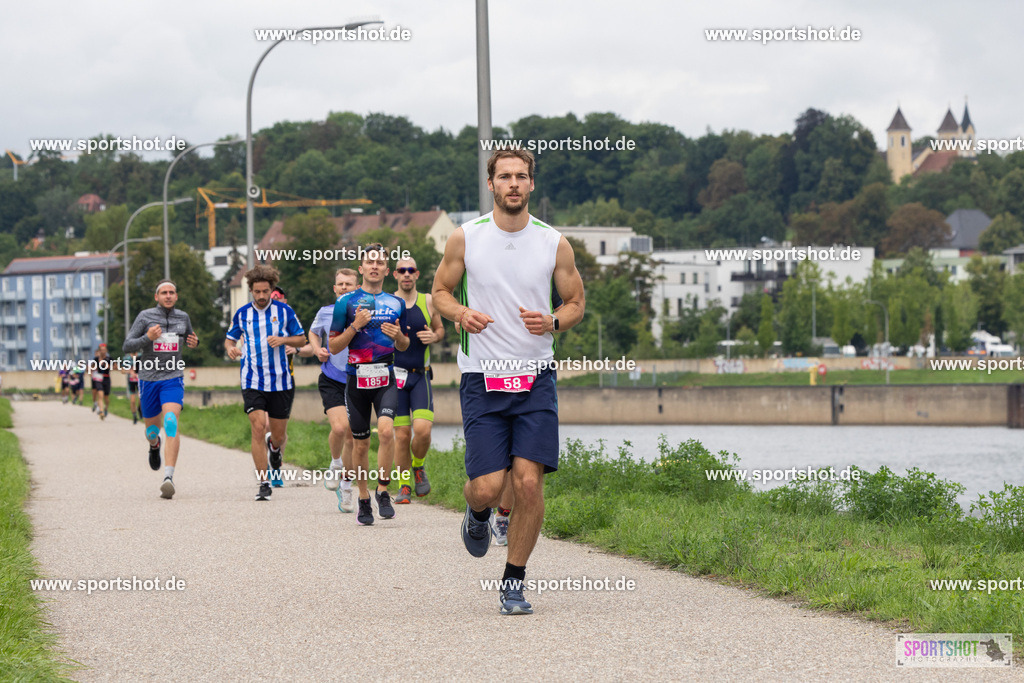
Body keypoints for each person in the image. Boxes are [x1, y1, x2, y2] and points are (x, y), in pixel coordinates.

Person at [432, 149, 585, 615]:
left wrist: (553, 323)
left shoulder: (554, 243)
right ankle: (478, 515)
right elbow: (438, 292)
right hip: (484, 378)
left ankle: (514, 582)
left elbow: (575, 302)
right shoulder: (465, 238)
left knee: (528, 484)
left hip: (536, 378)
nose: (513, 184)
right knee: (485, 485)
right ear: (491, 184)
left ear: (532, 185)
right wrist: (460, 312)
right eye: (505, 177)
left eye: (521, 176)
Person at [329, 244, 410, 526]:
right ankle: (364, 498)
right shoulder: (346, 303)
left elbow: (404, 344)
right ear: (361, 268)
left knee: (387, 432)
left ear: (387, 270)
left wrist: (399, 336)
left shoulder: (396, 302)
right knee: (361, 446)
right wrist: (355, 326)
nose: (374, 266)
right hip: (356, 380)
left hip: (385, 376)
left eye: (380, 262)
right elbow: (334, 346)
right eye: (369, 262)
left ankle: (383, 490)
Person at [225, 265, 306, 501]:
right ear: (251, 290)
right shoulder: (242, 314)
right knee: (258, 427)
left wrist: (282, 339)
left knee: (278, 435)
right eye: (257, 291)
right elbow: (229, 340)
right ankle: (263, 482)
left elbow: (301, 337)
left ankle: (275, 449)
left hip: (281, 381)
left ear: (271, 290)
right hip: (252, 379)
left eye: (265, 291)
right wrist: (231, 349)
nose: (261, 296)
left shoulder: (285, 311)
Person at [123, 279, 199, 499]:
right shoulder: (145, 317)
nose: (168, 296)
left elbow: (190, 338)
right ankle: (154, 445)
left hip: (173, 377)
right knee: (152, 431)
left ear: (177, 296)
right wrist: (148, 337)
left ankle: (168, 477)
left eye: (172, 292)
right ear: (156, 297)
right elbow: (127, 345)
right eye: (164, 292)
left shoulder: (183, 317)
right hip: (148, 379)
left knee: (171, 422)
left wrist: (195, 342)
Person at [391, 257, 444, 503]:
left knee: (422, 431)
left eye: (411, 270)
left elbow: (440, 329)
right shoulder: (388, 303)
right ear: (395, 275)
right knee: (401, 435)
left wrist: (434, 336)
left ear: (417, 274)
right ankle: (403, 485)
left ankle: (418, 466)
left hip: (420, 376)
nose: (407, 274)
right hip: (395, 379)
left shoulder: (428, 301)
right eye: (402, 270)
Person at [309, 268, 358, 511]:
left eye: (348, 284)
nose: (344, 287)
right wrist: (317, 349)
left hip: (357, 380)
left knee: (352, 437)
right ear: (334, 288)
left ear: (356, 288)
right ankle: (335, 464)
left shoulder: (363, 315)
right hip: (332, 378)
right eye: (340, 284)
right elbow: (313, 333)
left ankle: (346, 488)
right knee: (340, 428)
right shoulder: (325, 312)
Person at [90, 343, 113, 419]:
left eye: (104, 350)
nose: (103, 351)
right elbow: (92, 367)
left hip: (106, 378)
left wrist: (107, 366)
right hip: (99, 379)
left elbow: (115, 367)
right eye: (101, 350)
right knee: (100, 395)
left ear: (106, 350)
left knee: (106, 398)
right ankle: (101, 411)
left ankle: (106, 408)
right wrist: (91, 371)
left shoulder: (109, 359)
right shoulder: (96, 359)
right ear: (99, 351)